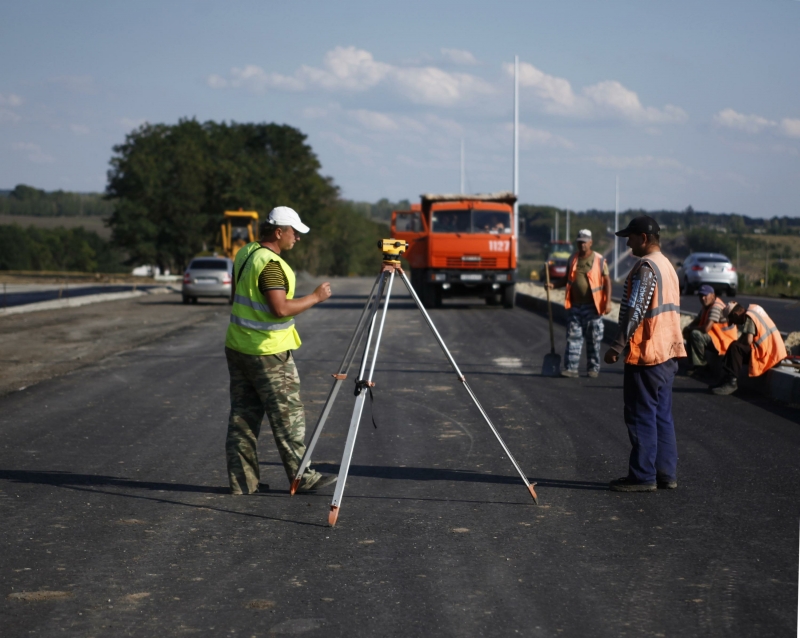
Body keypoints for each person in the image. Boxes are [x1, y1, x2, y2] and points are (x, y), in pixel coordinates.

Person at [224, 206, 335, 495]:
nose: (297, 238)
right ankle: (303, 477)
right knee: (288, 417)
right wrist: (315, 297)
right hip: (267, 352)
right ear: (278, 232)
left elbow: (236, 296)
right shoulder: (271, 264)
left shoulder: (246, 253)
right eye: (293, 232)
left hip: (238, 346)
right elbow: (280, 308)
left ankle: (242, 482)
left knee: (243, 418)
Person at [603, 216, 686, 492]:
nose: (627, 243)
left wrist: (617, 345)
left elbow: (635, 310)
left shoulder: (646, 267)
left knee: (640, 415)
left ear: (644, 238)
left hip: (647, 352)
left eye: (630, 237)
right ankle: (665, 474)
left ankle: (642, 477)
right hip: (668, 352)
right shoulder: (668, 267)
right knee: (662, 415)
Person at [546, 229, 612, 378]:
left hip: (593, 306)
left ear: (590, 243)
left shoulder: (599, 260)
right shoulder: (573, 258)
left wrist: (607, 303)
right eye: (579, 242)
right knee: (573, 337)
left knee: (593, 339)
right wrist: (553, 285)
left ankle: (593, 368)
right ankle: (571, 368)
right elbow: (565, 278)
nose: (582, 245)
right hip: (575, 305)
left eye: (584, 242)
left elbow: (607, 282)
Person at [710, 302, 787, 396]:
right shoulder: (754, 309)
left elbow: (748, 340)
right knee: (734, 345)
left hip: (769, 355)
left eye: (732, 320)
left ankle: (732, 383)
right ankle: (726, 379)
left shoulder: (749, 317)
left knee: (736, 348)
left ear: (735, 314)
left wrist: (734, 348)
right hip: (776, 352)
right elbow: (744, 337)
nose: (734, 323)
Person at [683, 284, 737, 376]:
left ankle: (701, 366)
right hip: (716, 338)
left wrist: (690, 329)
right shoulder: (706, 306)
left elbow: (705, 329)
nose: (703, 298)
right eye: (701, 296)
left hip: (725, 342)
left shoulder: (716, 307)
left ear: (713, 295)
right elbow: (697, 321)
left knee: (695, 334)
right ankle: (694, 364)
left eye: (705, 295)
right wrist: (687, 328)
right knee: (690, 331)